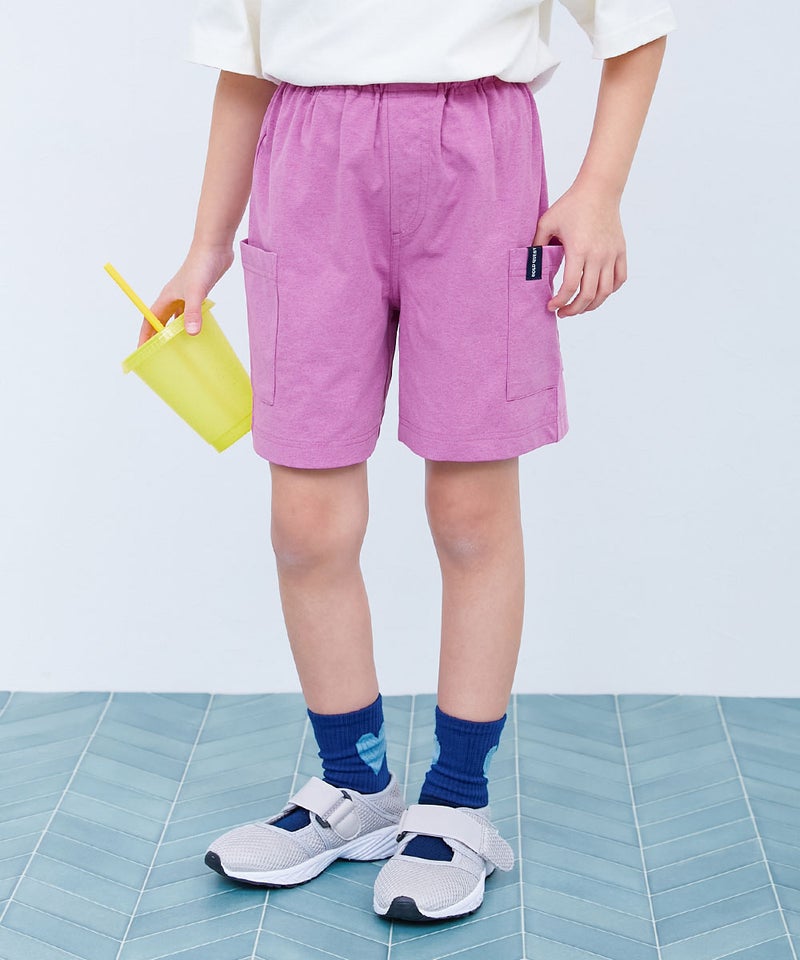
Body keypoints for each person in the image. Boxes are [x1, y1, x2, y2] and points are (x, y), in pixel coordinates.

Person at [138, 0, 677, 923]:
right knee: (306, 524)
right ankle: (354, 788)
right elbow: (243, 63)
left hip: (480, 162)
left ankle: (458, 803)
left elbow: (637, 24)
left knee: (470, 513)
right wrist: (204, 248)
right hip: (307, 167)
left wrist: (600, 190)